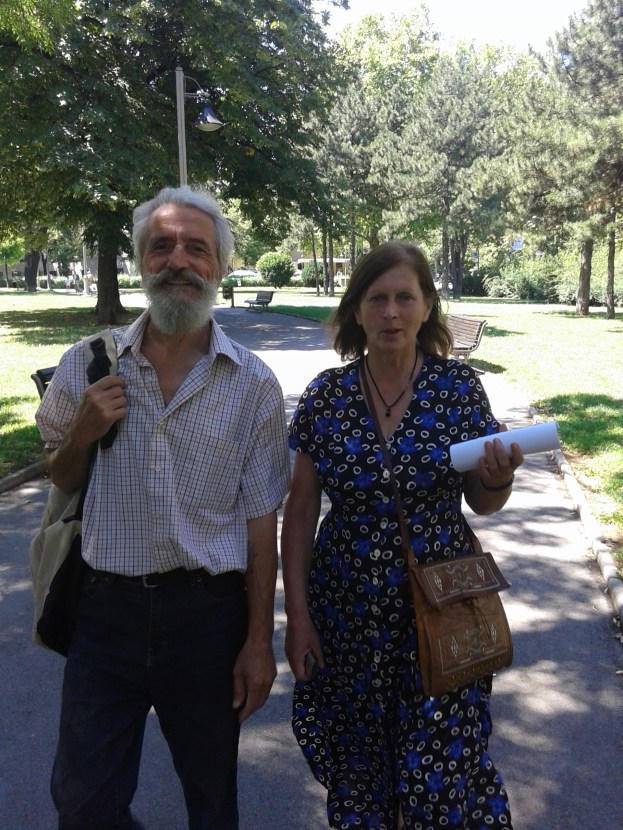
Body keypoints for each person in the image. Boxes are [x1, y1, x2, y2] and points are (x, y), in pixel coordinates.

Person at [36, 185, 291, 830]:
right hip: (104, 613)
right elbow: (60, 477)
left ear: (220, 266)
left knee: (211, 801)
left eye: (196, 248)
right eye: (161, 246)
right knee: (82, 805)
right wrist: (81, 433)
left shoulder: (254, 384)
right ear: (141, 261)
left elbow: (262, 522)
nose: (178, 260)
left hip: (207, 619)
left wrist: (258, 641)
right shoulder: (88, 363)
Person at [281, 241, 524, 830]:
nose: (391, 312)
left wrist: (498, 478)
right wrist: (299, 618)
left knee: (441, 776)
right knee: (362, 772)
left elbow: (483, 501)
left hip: (441, 612)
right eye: (377, 298)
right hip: (347, 617)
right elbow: (301, 511)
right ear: (356, 309)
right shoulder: (327, 396)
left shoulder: (458, 389)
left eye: (404, 298)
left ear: (426, 307)